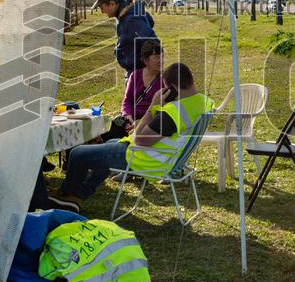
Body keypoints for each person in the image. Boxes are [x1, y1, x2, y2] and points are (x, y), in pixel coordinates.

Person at [49, 63, 212, 212]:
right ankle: (77, 195)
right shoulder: (203, 102)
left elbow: (140, 139)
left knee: (78, 153)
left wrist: (153, 106)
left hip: (145, 159)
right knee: (109, 145)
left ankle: (66, 194)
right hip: (168, 158)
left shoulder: (173, 112)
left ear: (172, 87)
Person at [92, 0, 158, 74]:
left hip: (139, 73)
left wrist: (148, 72)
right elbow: (150, 21)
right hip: (135, 70)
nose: (102, 11)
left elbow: (153, 42)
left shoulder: (131, 20)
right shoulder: (124, 15)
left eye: (102, 7)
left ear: (112, 4)